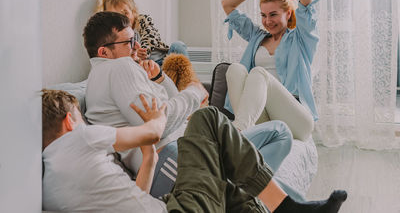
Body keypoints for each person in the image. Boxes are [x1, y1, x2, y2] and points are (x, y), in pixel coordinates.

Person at [82, 11, 292, 199]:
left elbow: (175, 110)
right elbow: (155, 126)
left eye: (135, 38)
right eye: (128, 42)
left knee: (278, 133)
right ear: (104, 52)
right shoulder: (120, 67)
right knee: (278, 134)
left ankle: (261, 199)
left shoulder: (104, 75)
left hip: (181, 149)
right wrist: (193, 93)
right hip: (171, 157)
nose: (137, 46)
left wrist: (159, 77)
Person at [42, 89, 347, 212]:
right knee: (207, 117)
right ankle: (288, 208)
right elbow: (154, 130)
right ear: (70, 120)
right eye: (80, 118)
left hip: (166, 204)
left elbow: (133, 201)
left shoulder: (50, 183)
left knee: (221, 180)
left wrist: (148, 157)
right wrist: (155, 118)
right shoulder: (79, 139)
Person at [221, 0, 322, 141]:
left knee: (258, 73)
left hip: (296, 118)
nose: (268, 21)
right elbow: (227, 4)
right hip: (263, 115)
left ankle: (238, 132)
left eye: (273, 14)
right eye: (263, 15)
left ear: (288, 13)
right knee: (235, 69)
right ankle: (244, 129)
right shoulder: (256, 37)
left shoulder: (301, 38)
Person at [99, 0, 189, 66]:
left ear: (133, 12)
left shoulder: (142, 21)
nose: (122, 19)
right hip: (143, 67)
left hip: (163, 60)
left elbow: (151, 36)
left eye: (125, 13)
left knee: (178, 46)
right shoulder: (114, 34)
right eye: (116, 16)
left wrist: (144, 50)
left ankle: (186, 79)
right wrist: (134, 56)